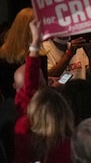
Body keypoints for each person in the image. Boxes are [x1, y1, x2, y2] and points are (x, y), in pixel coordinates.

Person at [14, 18, 74, 163]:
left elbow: (31, 82)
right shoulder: (66, 146)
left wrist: (35, 44)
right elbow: (32, 81)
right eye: (44, 79)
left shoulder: (23, 124)